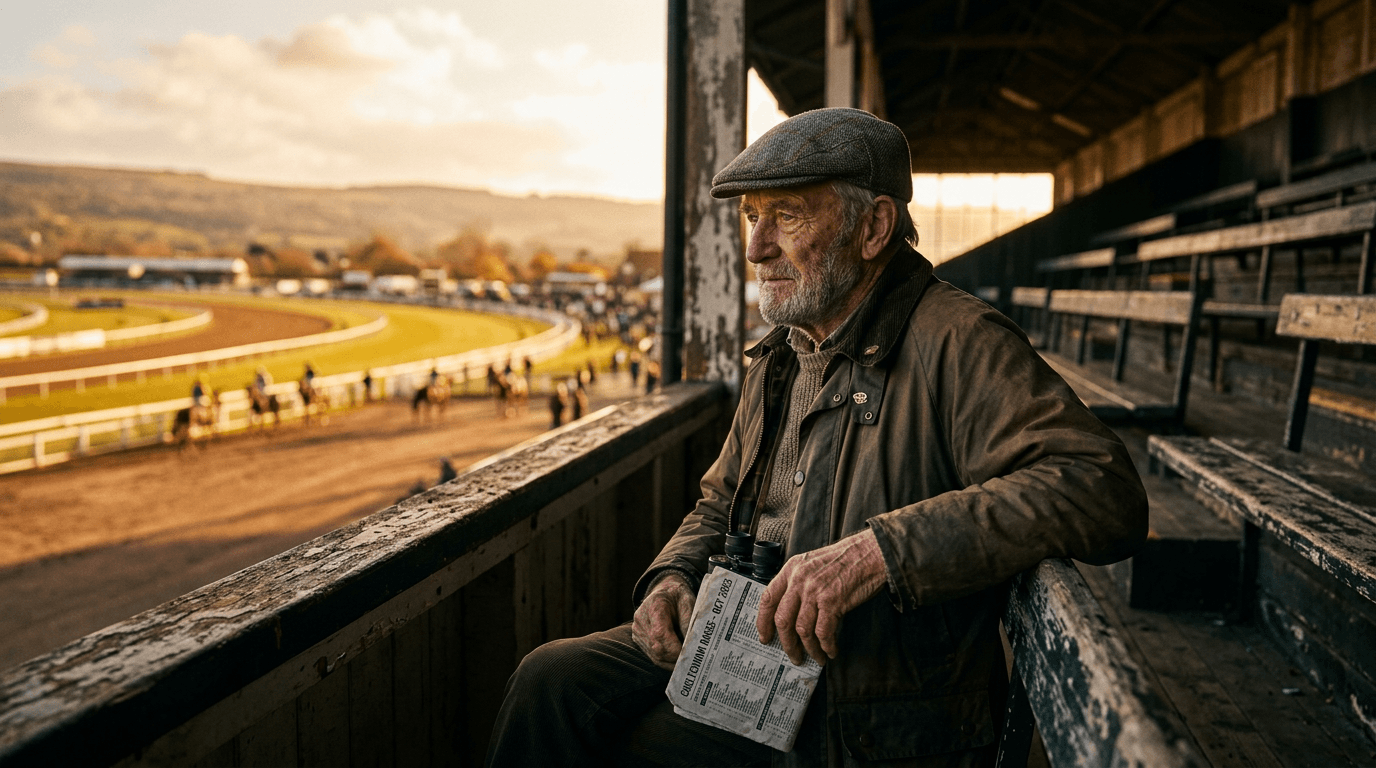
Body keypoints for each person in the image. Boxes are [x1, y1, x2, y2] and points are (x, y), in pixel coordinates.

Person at [486, 108, 1147, 767]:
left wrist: (878, 552)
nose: (757, 248)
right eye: (752, 218)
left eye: (788, 216)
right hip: (750, 660)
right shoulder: (782, 353)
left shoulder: (959, 339)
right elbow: (718, 503)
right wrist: (672, 575)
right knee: (550, 680)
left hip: (862, 705)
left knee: (621, 747)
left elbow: (1101, 486)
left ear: (874, 228)